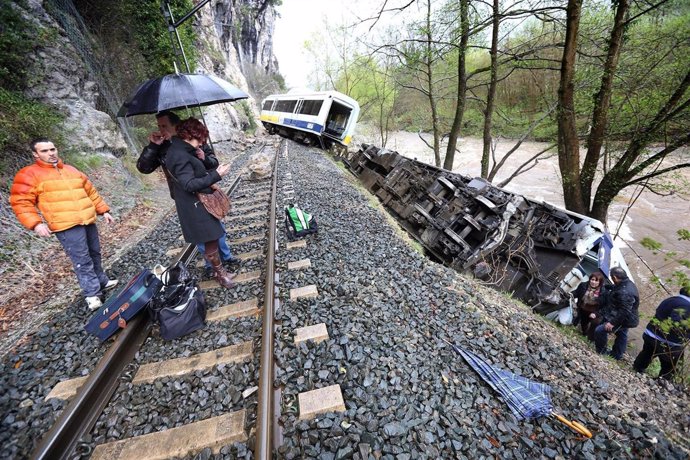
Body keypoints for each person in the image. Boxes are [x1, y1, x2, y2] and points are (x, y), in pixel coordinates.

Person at [10, 139, 118, 311]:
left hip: (87, 219)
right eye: (44, 151)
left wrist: (103, 211)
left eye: (52, 149)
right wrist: (36, 224)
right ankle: (92, 294)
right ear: (35, 154)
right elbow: (21, 202)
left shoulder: (71, 170)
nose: (50, 153)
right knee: (82, 259)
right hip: (66, 225)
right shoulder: (29, 174)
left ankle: (102, 281)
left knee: (94, 253)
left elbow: (90, 192)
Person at [137, 111, 239, 272]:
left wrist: (203, 157)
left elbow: (213, 163)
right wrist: (153, 146)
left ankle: (225, 257)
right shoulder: (162, 146)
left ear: (176, 126)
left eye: (164, 126)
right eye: (159, 126)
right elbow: (144, 168)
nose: (161, 129)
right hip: (183, 194)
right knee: (200, 233)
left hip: (204, 190)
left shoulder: (194, 137)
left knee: (216, 227)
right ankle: (211, 265)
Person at [163, 117, 235, 288]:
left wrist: (208, 165)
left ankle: (221, 273)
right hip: (194, 205)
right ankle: (221, 276)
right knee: (210, 240)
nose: (201, 142)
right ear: (190, 135)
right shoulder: (179, 154)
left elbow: (193, 174)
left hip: (196, 203)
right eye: (200, 138)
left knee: (213, 237)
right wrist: (217, 175)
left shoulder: (182, 150)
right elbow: (188, 184)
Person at [633, 287, 690, 380]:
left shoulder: (670, 299)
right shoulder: (687, 306)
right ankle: (662, 382)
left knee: (646, 354)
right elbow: (676, 324)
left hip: (650, 333)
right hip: (667, 342)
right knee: (670, 367)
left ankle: (636, 370)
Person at [591, 266, 639, 360]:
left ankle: (601, 352)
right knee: (622, 335)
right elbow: (617, 287)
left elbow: (625, 311)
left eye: (612, 278)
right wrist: (606, 286)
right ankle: (617, 355)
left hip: (624, 318)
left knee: (600, 330)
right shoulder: (627, 283)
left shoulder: (625, 292)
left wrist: (612, 323)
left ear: (615, 278)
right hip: (629, 317)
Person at [572, 271, 607, 340]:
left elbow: (605, 306)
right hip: (583, 309)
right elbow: (576, 293)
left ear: (600, 282)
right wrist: (569, 295)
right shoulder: (583, 285)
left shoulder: (603, 292)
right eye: (592, 279)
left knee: (595, 323)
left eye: (596, 281)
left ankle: (591, 339)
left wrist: (596, 314)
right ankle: (584, 334)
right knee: (584, 325)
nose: (593, 282)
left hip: (594, 312)